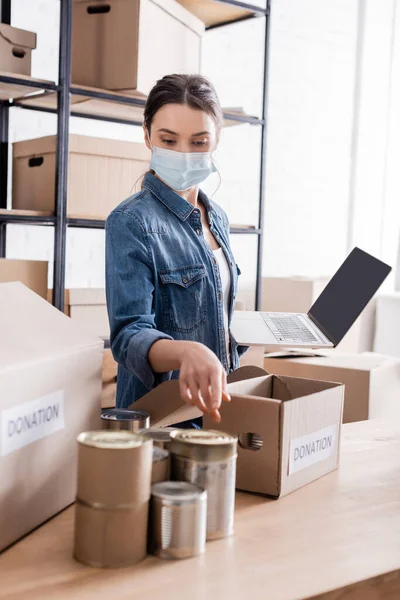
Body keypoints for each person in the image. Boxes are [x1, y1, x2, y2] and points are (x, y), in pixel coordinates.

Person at [105, 73, 247, 428]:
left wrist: (244, 333)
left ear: (216, 140)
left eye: (199, 142)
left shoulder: (218, 218)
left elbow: (210, 310)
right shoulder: (130, 221)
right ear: (147, 136)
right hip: (162, 418)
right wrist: (188, 352)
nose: (183, 154)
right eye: (168, 140)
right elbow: (128, 337)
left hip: (215, 408)